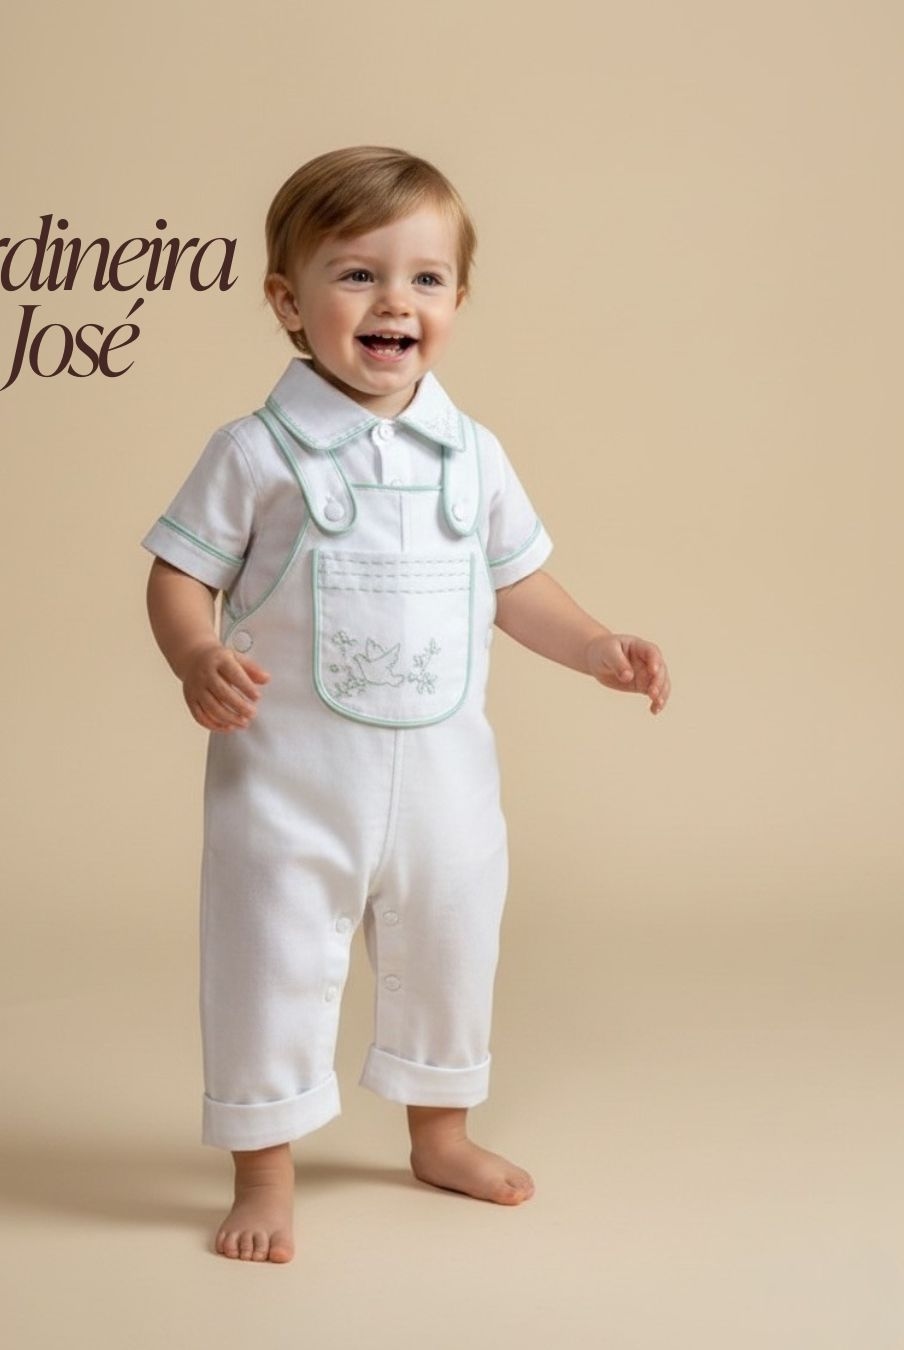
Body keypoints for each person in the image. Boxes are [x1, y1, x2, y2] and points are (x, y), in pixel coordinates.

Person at [142, 146, 670, 1264]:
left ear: (459, 300)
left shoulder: (473, 455)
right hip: (288, 784)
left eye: (426, 279)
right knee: (268, 964)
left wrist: (594, 646)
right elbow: (180, 572)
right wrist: (195, 654)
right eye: (358, 275)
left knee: (451, 946)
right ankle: (265, 1172)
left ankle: (441, 1135)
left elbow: (517, 585)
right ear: (288, 301)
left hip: (444, 784)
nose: (395, 302)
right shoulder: (256, 452)